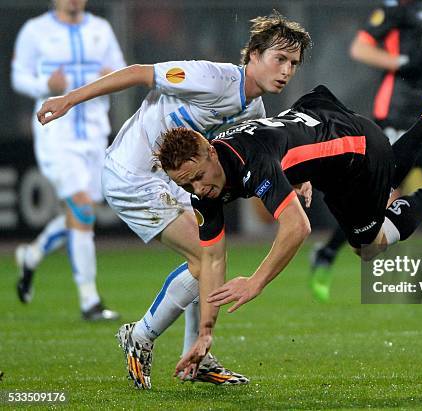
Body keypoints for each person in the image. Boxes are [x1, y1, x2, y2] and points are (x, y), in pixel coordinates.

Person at [36, 12, 312, 389]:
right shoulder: (211, 78)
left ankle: (196, 358)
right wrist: (70, 100)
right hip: (132, 174)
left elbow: (266, 152)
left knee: (210, 255)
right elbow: (137, 72)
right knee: (205, 257)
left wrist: (296, 179)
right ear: (254, 56)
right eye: (279, 59)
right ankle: (141, 336)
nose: (286, 70)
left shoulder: (253, 110)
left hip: (172, 183)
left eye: (293, 64)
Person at [153, 85, 422, 377]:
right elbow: (211, 259)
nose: (198, 188)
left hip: (356, 152)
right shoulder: (206, 183)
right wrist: (205, 332)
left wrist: (255, 282)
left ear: (210, 150)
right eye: (186, 184)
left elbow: (297, 227)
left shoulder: (252, 162)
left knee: (369, 245)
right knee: (383, 178)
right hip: (321, 124)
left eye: (198, 176)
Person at [310, 0, 422, 306]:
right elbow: (360, 48)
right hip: (399, 115)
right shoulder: (399, 8)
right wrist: (400, 61)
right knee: (374, 204)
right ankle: (327, 252)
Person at [11, 0, 125, 320]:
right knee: (81, 207)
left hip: (94, 133)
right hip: (56, 136)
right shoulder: (36, 31)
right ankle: (90, 300)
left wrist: (111, 74)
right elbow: (19, 77)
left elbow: (121, 69)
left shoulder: (100, 29)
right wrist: (44, 86)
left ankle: (31, 255)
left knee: (82, 213)